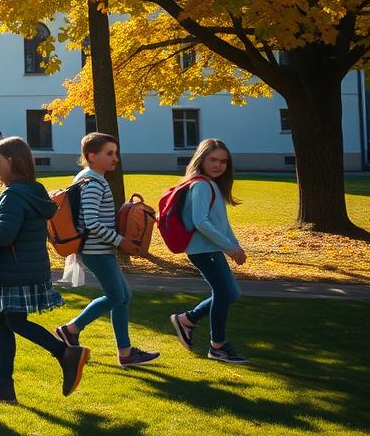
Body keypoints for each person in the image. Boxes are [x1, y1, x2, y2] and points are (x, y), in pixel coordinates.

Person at [0, 136, 88, 403]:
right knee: (3, 322)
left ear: (11, 161)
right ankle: (3, 386)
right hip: (29, 268)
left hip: (14, 271)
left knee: (13, 322)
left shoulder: (12, 195)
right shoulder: (35, 189)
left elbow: (3, 235)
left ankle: (65, 353)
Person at [53, 134, 160, 367]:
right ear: (92, 156)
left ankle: (125, 351)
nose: (115, 159)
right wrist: (120, 241)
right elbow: (91, 222)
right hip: (96, 250)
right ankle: (70, 330)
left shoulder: (90, 178)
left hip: (100, 249)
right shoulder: (92, 182)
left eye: (116, 153)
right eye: (109, 153)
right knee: (116, 296)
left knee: (123, 297)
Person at [169, 138, 248, 363]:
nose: (218, 165)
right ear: (201, 159)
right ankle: (217, 346)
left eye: (223, 161)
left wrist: (235, 245)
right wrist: (230, 248)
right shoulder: (201, 185)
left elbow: (221, 222)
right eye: (212, 159)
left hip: (210, 249)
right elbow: (201, 222)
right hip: (203, 250)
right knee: (224, 293)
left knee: (231, 293)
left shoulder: (210, 184)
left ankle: (187, 319)